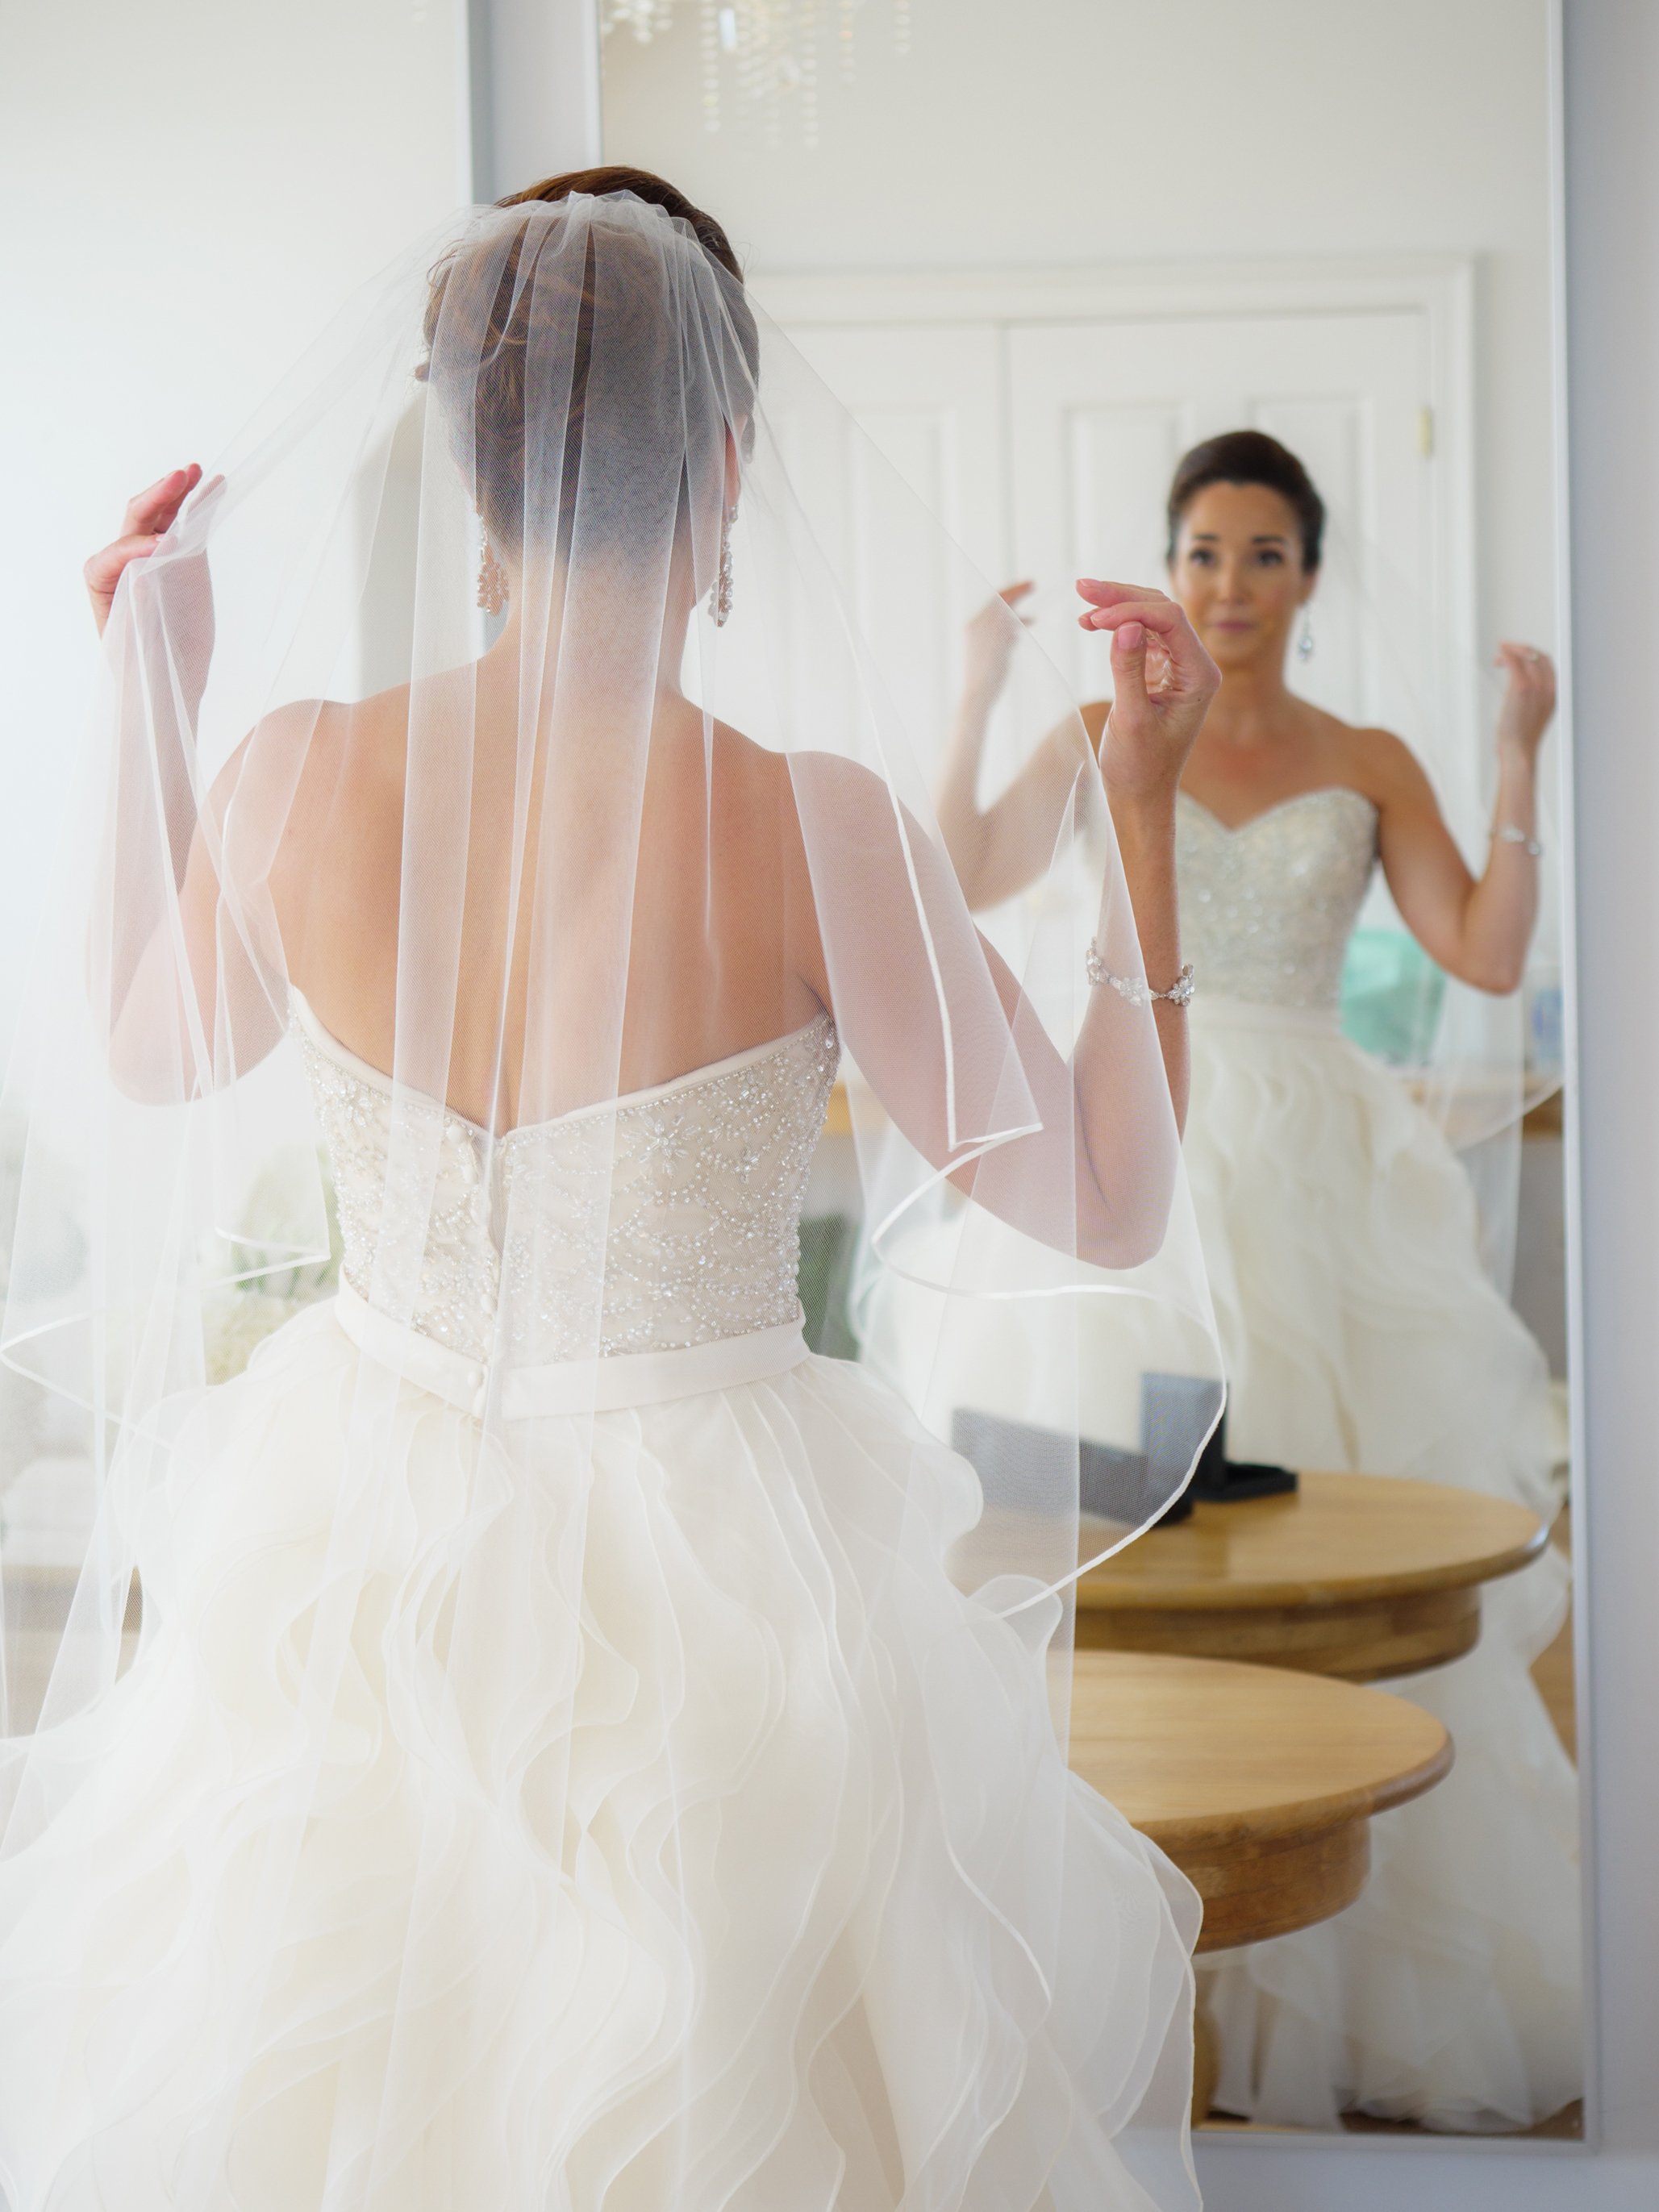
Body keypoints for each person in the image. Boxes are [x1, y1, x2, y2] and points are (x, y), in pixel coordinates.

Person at [0, 173, 1223, 2209]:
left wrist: (157, 689)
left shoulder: (294, 770)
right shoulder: (821, 831)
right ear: (729, 459)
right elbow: (1104, 1200)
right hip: (724, 1572)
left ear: (469, 462)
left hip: (353, 1541)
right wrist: (1145, 815)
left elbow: (148, 1051)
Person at [925, 428, 1581, 2133]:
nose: (1229, 588)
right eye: (1202, 552)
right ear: (1174, 561)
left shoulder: (1366, 756)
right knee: (1124, 1570)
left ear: (1309, 572)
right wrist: (979, 691)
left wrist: (1519, 761)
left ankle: (1333, 1962)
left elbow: (1487, 950)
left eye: (1264, 555)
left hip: (1322, 1173)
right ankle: (1124, 1956)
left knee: (1327, 1562)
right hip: (1143, 1131)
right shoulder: (1099, 731)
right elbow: (966, 878)